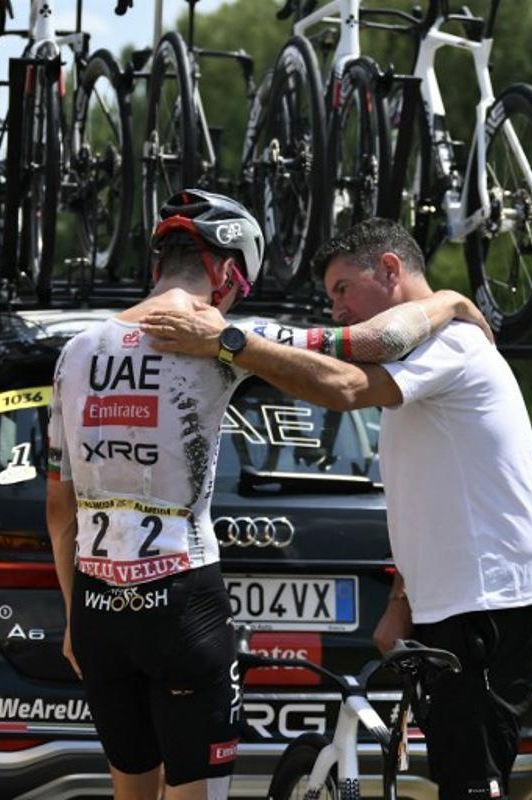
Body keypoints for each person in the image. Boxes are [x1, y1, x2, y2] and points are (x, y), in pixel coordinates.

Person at [45, 190, 490, 800]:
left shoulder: (74, 354)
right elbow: (372, 344)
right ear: (227, 272)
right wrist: (449, 302)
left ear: (158, 266)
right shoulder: (224, 336)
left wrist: (74, 614)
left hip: (96, 606)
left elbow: (58, 506)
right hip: (181, 600)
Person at [140, 217, 532, 800]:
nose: (335, 309)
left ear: (389, 269)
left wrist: (228, 342)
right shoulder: (426, 346)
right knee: (456, 771)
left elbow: (343, 389)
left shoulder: (453, 344)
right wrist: (402, 600)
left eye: (342, 290)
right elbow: (429, 495)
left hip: (490, 601)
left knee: (472, 783)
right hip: (454, 600)